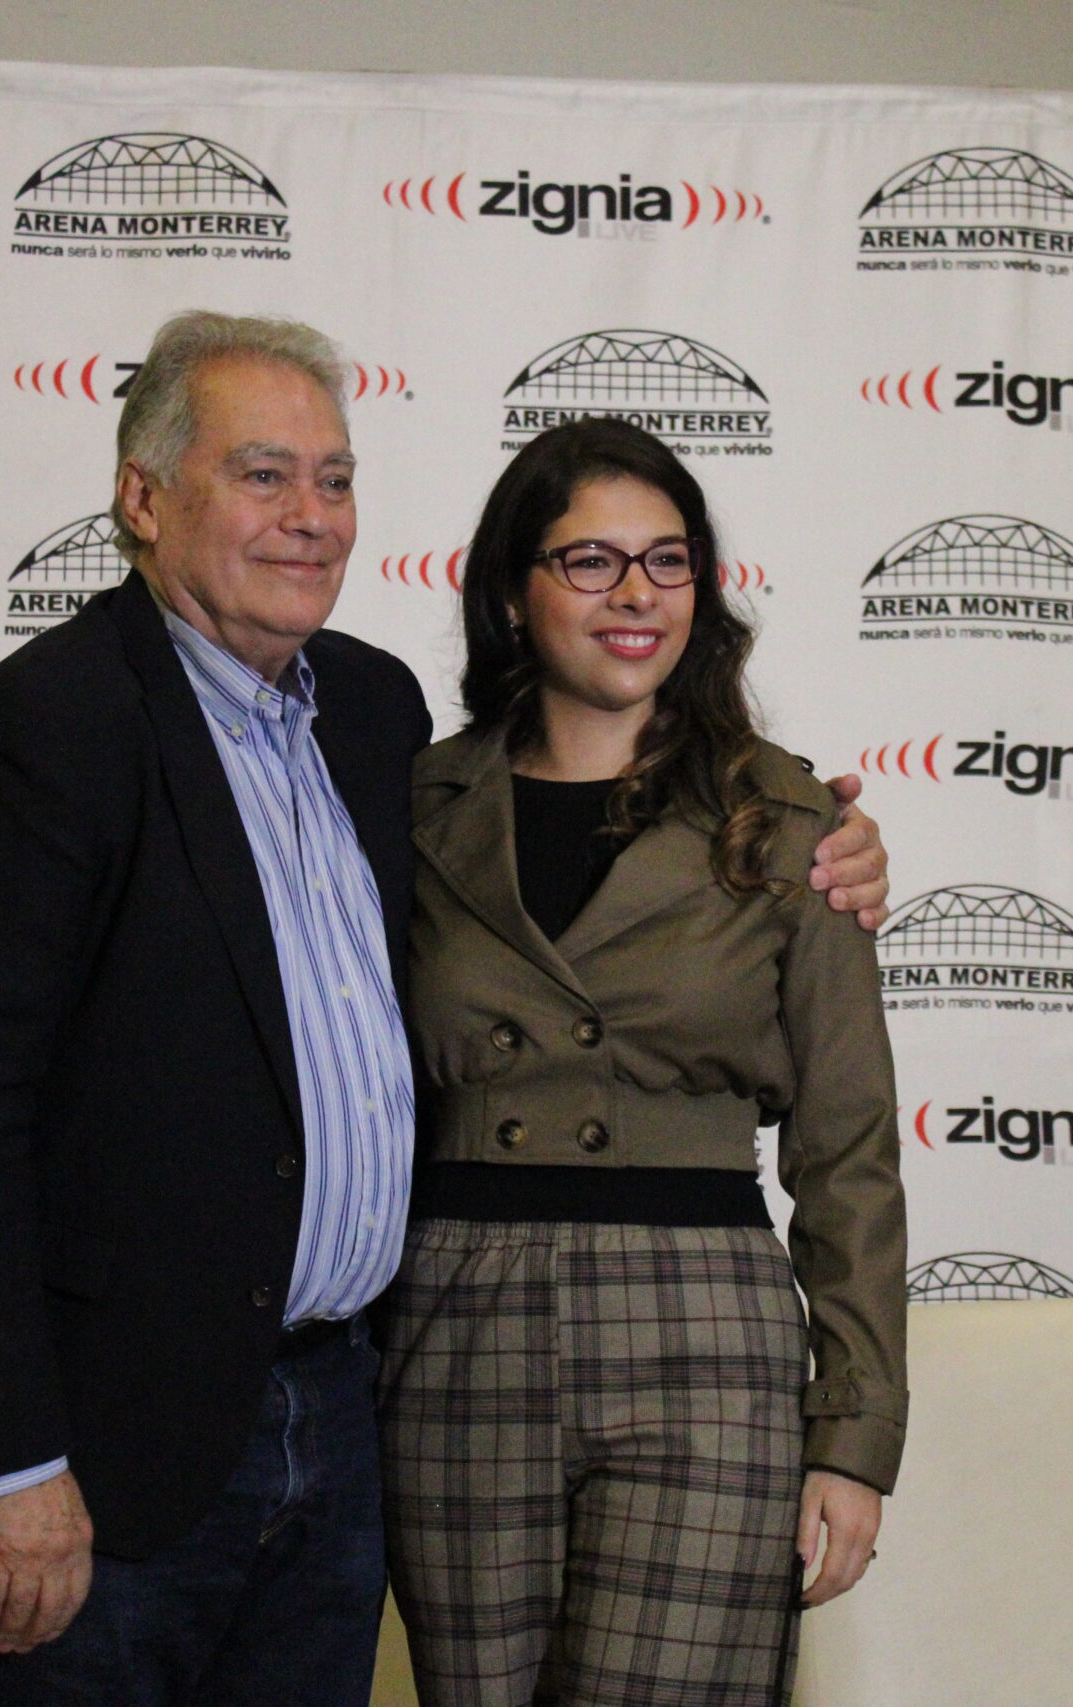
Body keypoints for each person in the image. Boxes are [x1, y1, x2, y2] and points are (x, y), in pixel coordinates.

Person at [0, 312, 894, 1706]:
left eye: (335, 480)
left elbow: (833, 1130)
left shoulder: (365, 713)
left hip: (347, 1412)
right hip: (134, 1435)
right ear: (143, 498)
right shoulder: (38, 732)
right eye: (263, 475)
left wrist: (827, 840)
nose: (310, 516)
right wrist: (5, 1463)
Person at [379, 418, 908, 1707]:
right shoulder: (405, 806)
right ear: (514, 592)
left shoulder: (789, 820)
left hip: (704, 1325)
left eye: (669, 562)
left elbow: (848, 1152)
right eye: (592, 561)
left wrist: (852, 1436)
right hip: (453, 1323)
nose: (637, 595)